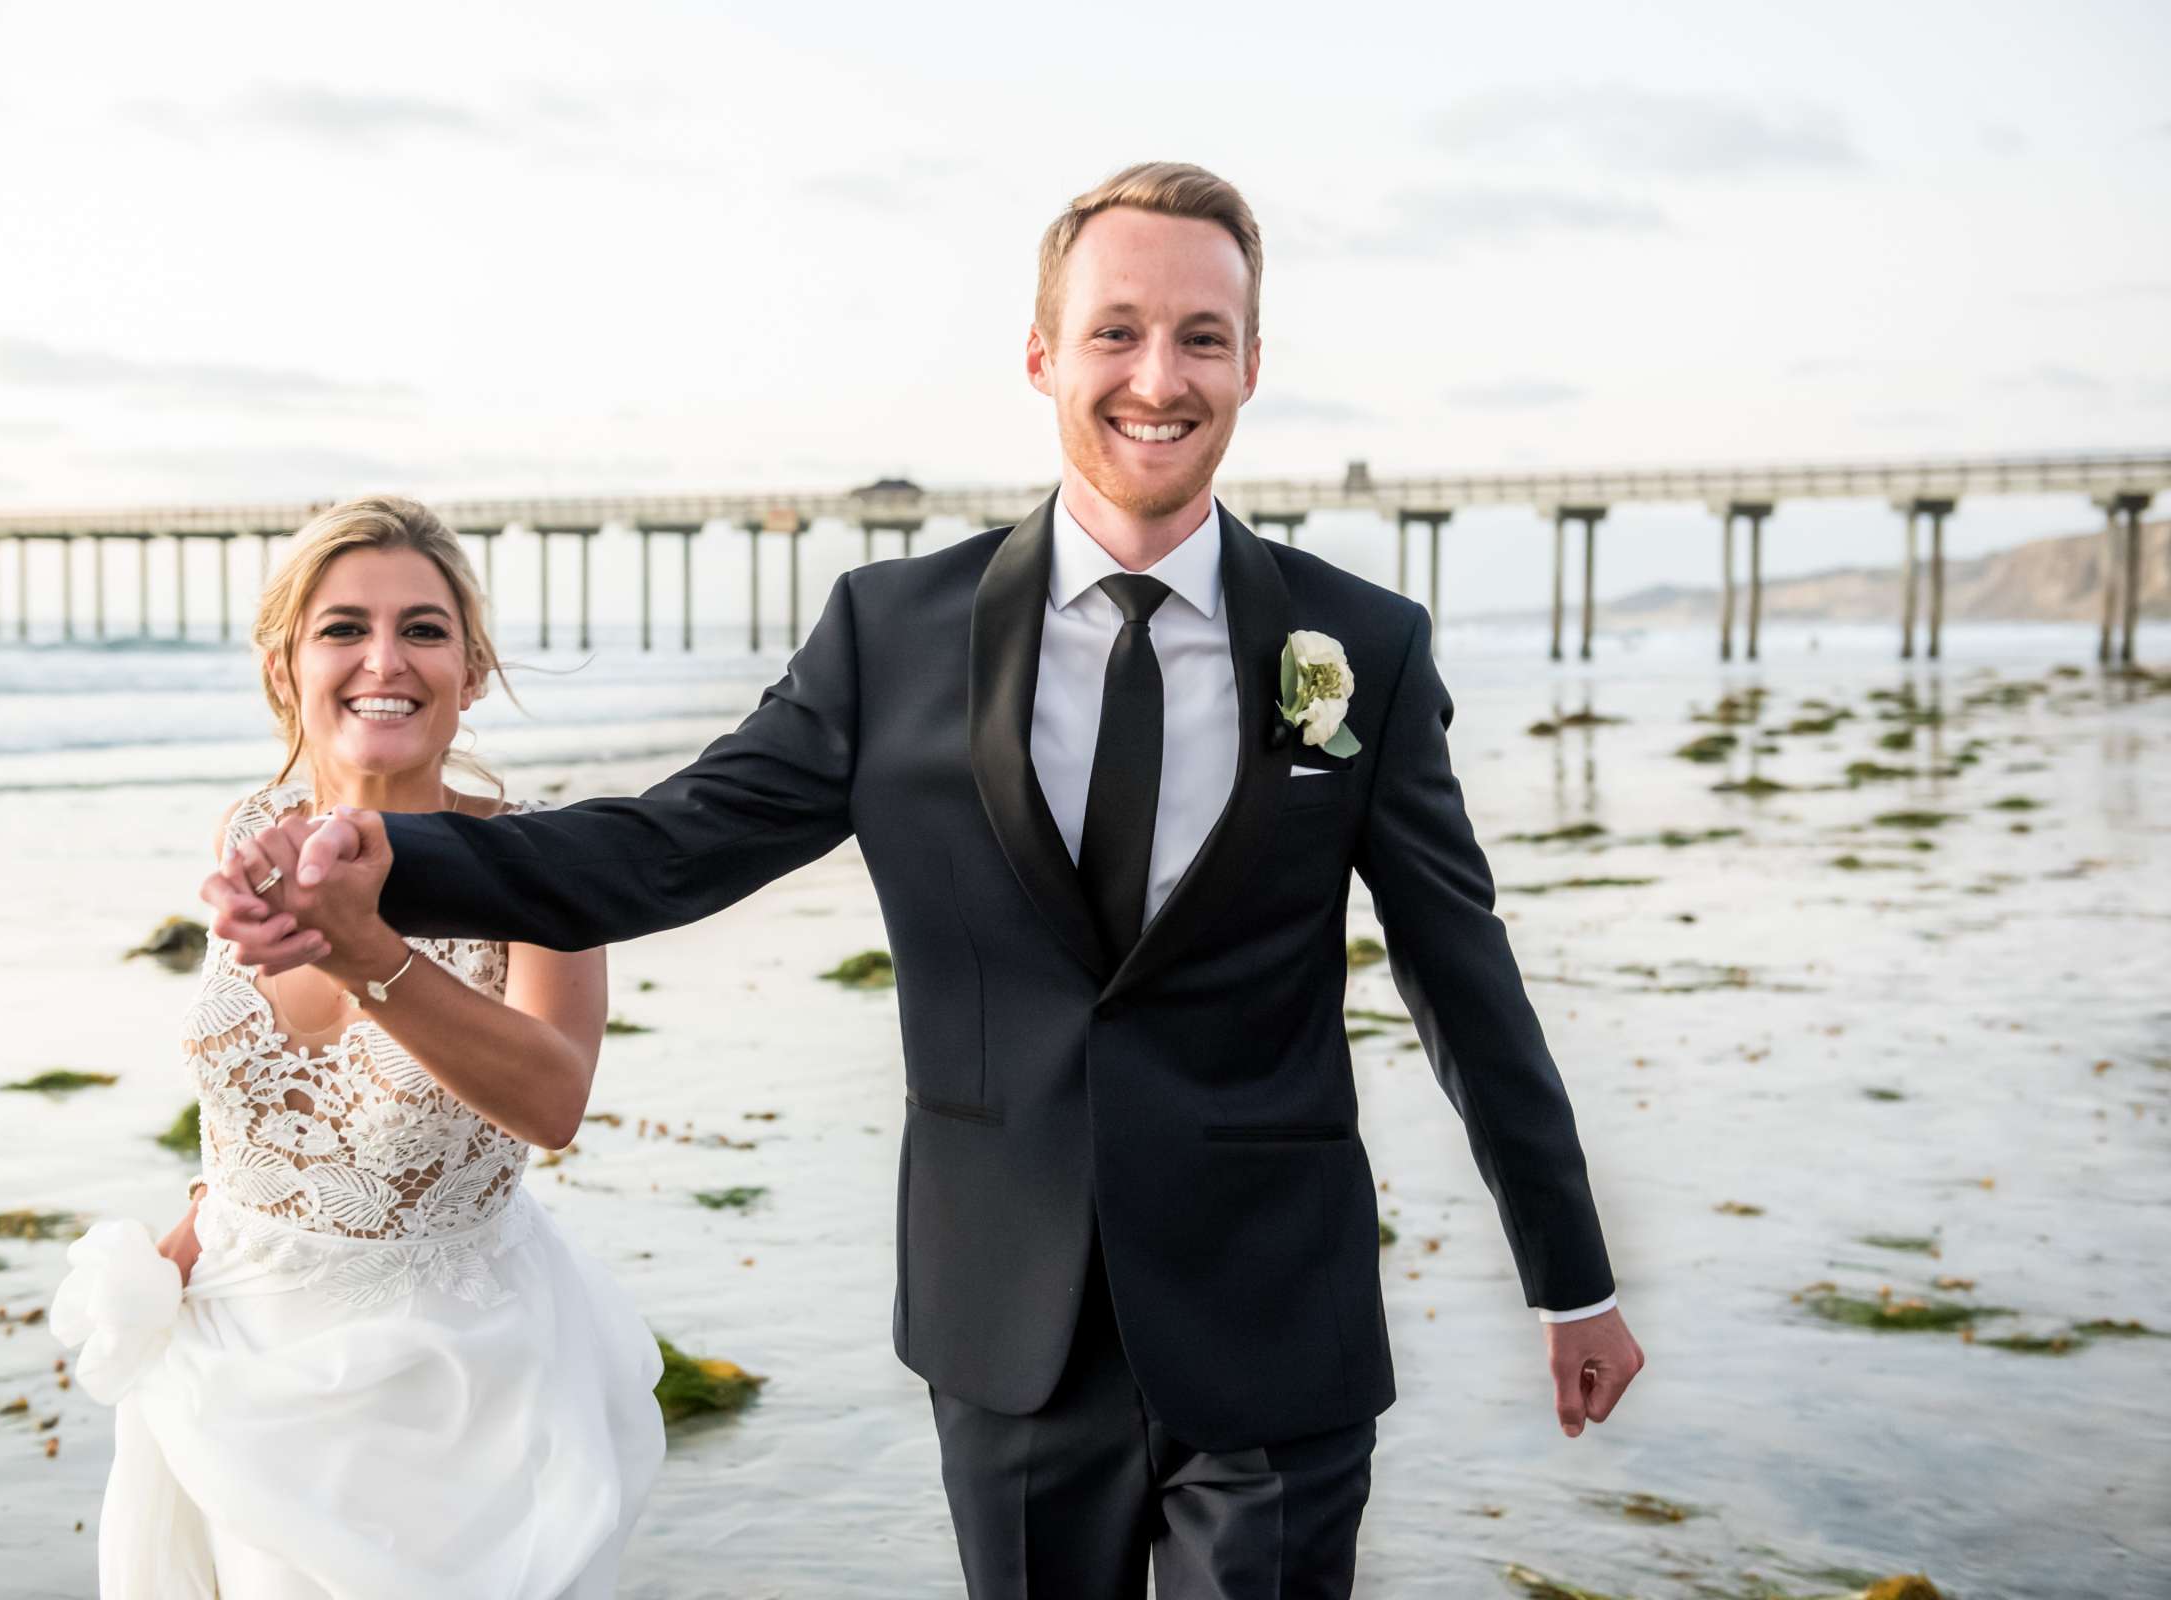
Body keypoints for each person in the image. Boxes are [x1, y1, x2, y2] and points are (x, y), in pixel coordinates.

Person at [207, 162, 1644, 1598]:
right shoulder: (892, 634)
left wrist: (1570, 1274)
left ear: (1254, 365)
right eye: (1116, 331)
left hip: (1275, 1317)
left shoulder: (1360, 653)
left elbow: (1463, 973)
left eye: (1203, 336)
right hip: (1004, 1318)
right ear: (1042, 356)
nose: (1160, 375)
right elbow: (663, 846)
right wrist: (395, 863)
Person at [54, 496, 663, 1599]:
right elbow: (254, 1115)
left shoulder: (541, 861)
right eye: (344, 627)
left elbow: (554, 1101)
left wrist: (366, 953)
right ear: (287, 665)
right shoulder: (248, 830)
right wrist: (182, 1244)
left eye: (424, 629)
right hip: (229, 1360)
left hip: (453, 1394)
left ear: (472, 671)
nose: (384, 657)